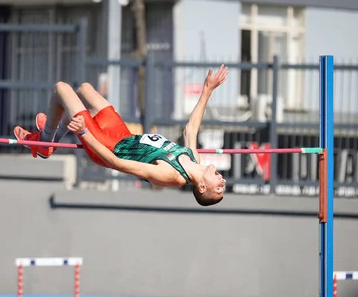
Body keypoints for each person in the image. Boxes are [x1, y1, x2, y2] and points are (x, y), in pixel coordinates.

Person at [14, 65, 229, 206]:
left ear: (202, 187)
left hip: (105, 146)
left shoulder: (172, 176)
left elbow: (117, 163)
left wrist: (84, 133)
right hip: (121, 135)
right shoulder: (194, 159)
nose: (223, 180)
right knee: (84, 90)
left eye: (218, 186)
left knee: (61, 89)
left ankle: (44, 142)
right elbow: (190, 129)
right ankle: (49, 140)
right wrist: (207, 90)